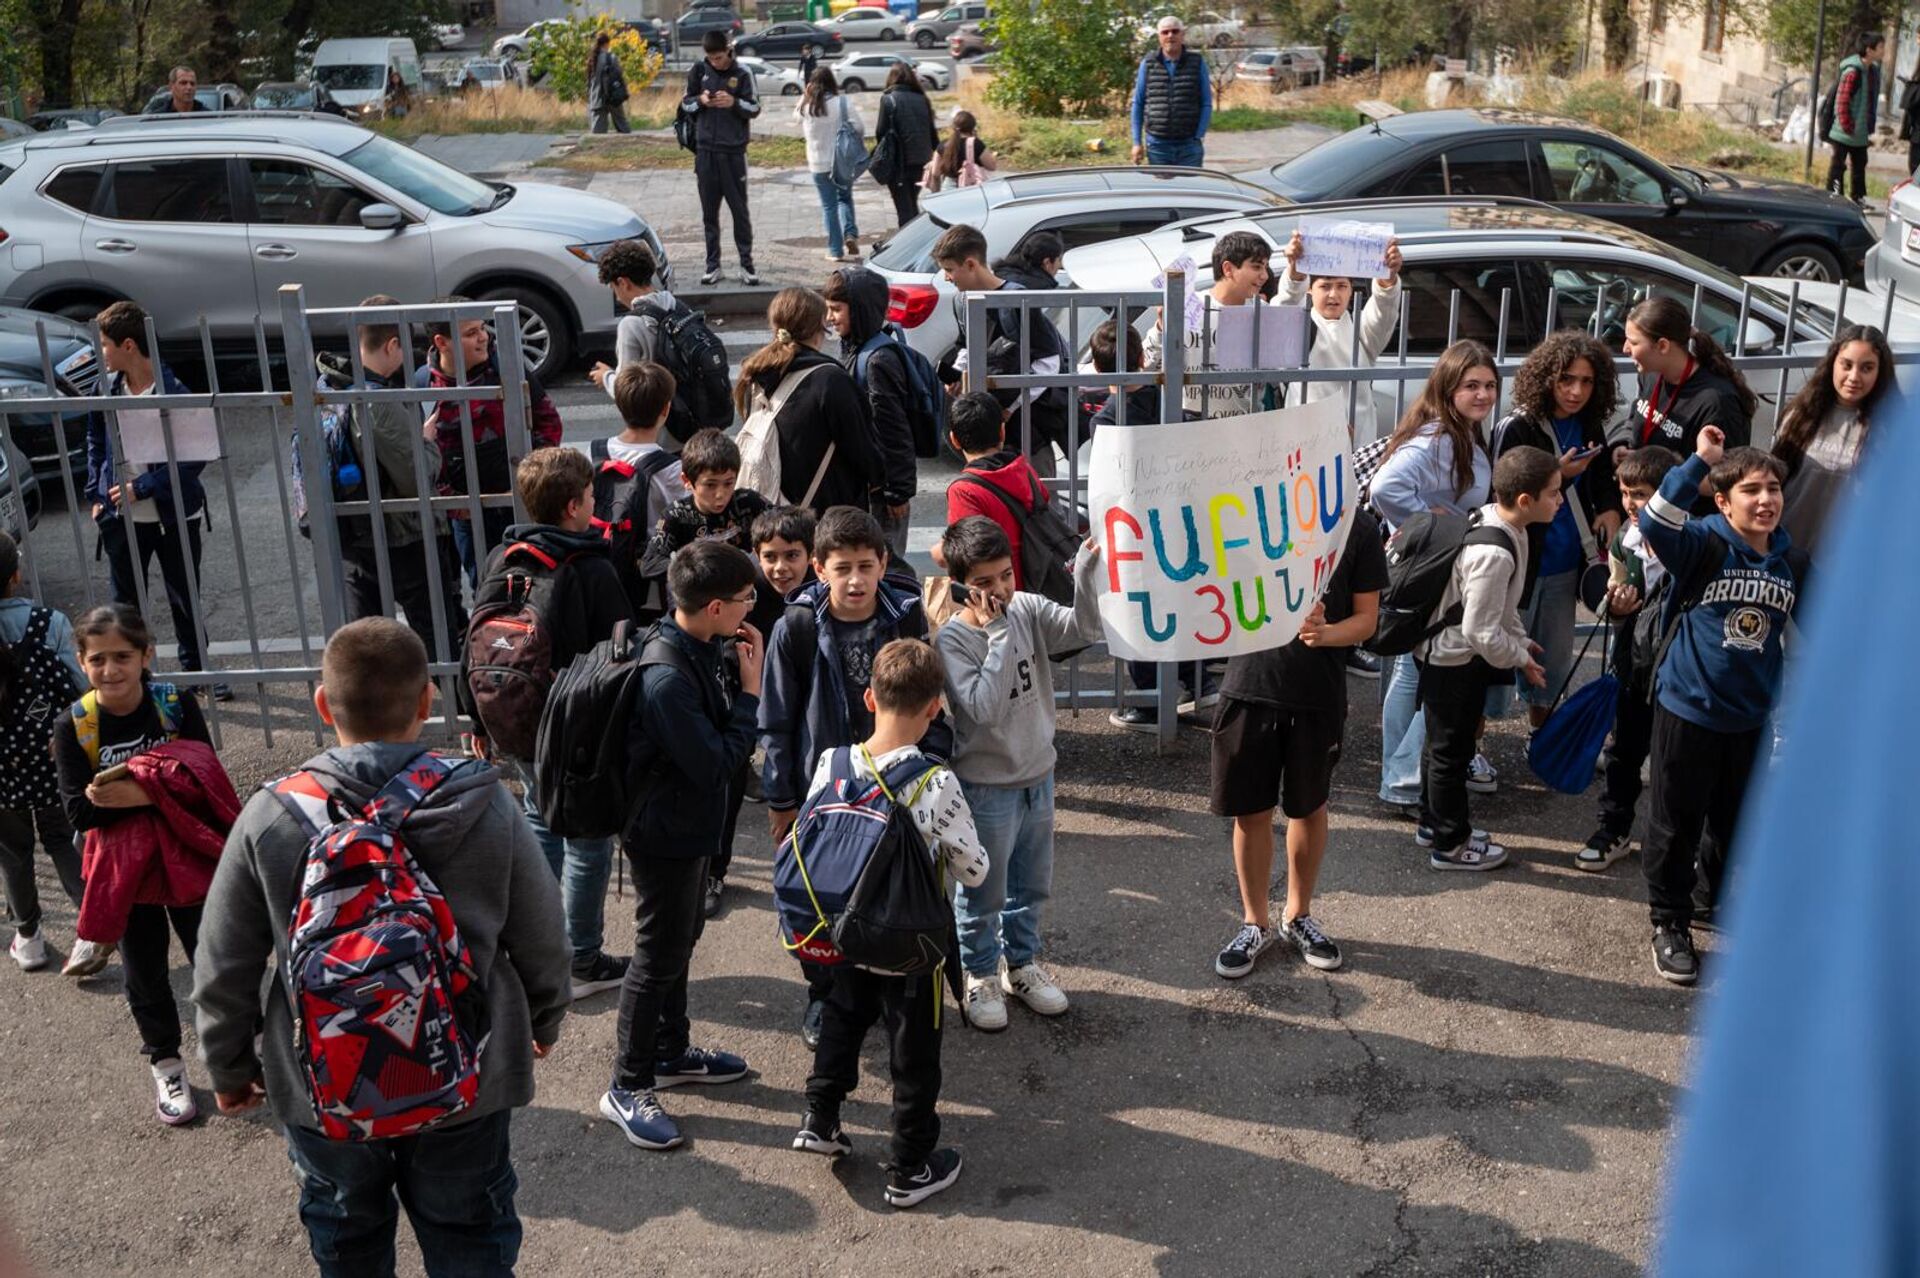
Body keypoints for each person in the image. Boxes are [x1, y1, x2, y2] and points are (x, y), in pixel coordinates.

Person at [192, 618, 568, 1276]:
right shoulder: (485, 804)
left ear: (320, 703)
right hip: (467, 1072)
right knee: (469, 1231)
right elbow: (542, 934)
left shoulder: (271, 817)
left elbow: (224, 965)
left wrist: (229, 1067)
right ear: (427, 703)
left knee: (347, 1230)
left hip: (321, 1082)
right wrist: (543, 1017)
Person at [791, 638, 987, 1208]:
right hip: (910, 943)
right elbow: (974, 871)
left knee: (841, 1021)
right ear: (935, 708)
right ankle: (910, 1165)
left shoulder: (833, 761)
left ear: (870, 698)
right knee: (913, 1052)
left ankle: (819, 1118)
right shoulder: (934, 782)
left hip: (844, 929)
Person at [760, 506, 949, 1046]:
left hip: (895, 784)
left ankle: (889, 988)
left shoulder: (905, 615)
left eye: (866, 566)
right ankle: (825, 997)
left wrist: (930, 767)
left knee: (888, 892)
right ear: (819, 568)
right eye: (842, 568)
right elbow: (776, 718)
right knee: (822, 897)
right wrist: (781, 800)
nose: (855, 580)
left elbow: (929, 696)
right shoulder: (795, 625)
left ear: (884, 562)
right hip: (824, 794)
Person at [601, 541, 763, 1152]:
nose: (754, 607)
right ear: (717, 607)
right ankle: (627, 1083)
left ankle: (671, 1050)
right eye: (747, 598)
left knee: (680, 938)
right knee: (656, 953)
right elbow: (717, 763)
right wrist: (752, 690)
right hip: (664, 833)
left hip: (688, 827)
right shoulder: (667, 676)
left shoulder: (699, 643)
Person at [1637, 427, 1805, 984]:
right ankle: (1669, 921)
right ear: (1723, 501)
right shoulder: (1702, 544)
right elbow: (1655, 521)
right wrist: (1699, 462)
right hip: (1689, 707)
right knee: (1675, 821)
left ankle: (1717, 899)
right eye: (1752, 490)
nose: (1766, 500)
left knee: (1734, 821)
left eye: (1774, 489)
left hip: (1750, 715)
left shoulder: (1789, 561)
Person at [467, 447, 633, 999]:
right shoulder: (590, 568)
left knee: (541, 819)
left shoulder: (503, 557)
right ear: (572, 506)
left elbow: (473, 639)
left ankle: (540, 947)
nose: (594, 504)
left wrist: (478, 721)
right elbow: (617, 659)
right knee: (587, 840)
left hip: (513, 720)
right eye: (590, 497)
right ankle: (580, 957)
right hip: (574, 730)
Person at [51, 605, 226, 1122]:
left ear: (146, 654)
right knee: (145, 971)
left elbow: (205, 781)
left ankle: (238, 1046)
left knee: (215, 958)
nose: (111, 670)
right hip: (127, 876)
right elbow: (80, 809)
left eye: (123, 656)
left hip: (189, 858)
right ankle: (167, 1063)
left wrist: (135, 791)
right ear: (82, 661)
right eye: (98, 659)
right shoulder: (74, 724)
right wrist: (162, 785)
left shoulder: (174, 704)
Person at [936, 516, 1102, 1030]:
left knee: (1031, 885)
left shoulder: (1026, 607)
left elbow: (1084, 629)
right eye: (984, 582)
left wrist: (1088, 577)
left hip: (1038, 774)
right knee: (982, 889)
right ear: (963, 584)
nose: (1000, 590)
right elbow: (982, 707)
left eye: (1005, 575)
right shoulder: (953, 641)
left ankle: (1022, 964)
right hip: (986, 785)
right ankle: (980, 972)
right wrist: (1000, 632)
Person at [1210, 498, 1386, 978]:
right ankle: (1254, 922)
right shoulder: (1249, 515)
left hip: (1317, 693)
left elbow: (1367, 620)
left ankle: (1298, 915)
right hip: (1251, 684)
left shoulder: (1359, 527)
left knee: (1308, 806)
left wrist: (1325, 634)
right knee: (1252, 810)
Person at [1369, 341, 1499, 816]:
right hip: (1433, 571)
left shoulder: (1460, 433)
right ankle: (1402, 781)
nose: (1483, 395)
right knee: (1414, 673)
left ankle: (1402, 778)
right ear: (1449, 389)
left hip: (1438, 567)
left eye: (1488, 385)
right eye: (1471, 386)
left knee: (1414, 671)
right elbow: (1385, 487)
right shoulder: (1439, 438)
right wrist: (1433, 521)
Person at [1418, 447, 1561, 871]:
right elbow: (1479, 631)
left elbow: (1500, 610)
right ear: (1525, 501)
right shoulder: (1495, 552)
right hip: (1451, 660)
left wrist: (1519, 639)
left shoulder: (1501, 523)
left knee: (1442, 746)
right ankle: (1450, 844)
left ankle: (1433, 822)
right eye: (1553, 493)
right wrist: (1520, 658)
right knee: (1451, 751)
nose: (1558, 500)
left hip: (1452, 654)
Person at [85, 301, 227, 700]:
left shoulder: (173, 391)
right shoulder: (105, 388)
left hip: (172, 514)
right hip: (120, 517)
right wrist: (97, 495)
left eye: (105, 345)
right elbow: (95, 442)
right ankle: (133, 680)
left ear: (129, 345)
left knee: (184, 593)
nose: (101, 353)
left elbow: (194, 457)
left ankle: (197, 671)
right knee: (125, 603)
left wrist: (144, 486)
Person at [316, 293, 466, 663]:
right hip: (403, 537)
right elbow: (417, 477)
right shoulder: (378, 401)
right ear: (392, 344)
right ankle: (458, 716)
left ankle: (372, 718)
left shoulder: (326, 387)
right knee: (437, 641)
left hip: (352, 535)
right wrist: (427, 443)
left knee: (367, 648)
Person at [1489, 330, 1624, 729]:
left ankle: (1540, 734)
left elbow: (1600, 476)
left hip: (1566, 562)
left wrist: (1612, 508)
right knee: (1496, 661)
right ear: (1546, 378)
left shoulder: (1588, 424)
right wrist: (1559, 475)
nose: (1576, 391)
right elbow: (1504, 497)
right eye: (1566, 379)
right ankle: (1475, 747)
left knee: (1552, 662)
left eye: (1586, 381)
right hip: (1519, 564)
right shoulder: (1518, 427)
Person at [1578, 444, 1679, 872]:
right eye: (1624, 493)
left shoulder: (1696, 537)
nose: (1629, 504)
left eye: (1640, 494)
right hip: (1633, 661)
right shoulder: (1626, 539)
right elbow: (1614, 597)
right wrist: (1617, 605)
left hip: (1677, 667)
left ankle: (1675, 846)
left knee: (1675, 761)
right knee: (1624, 752)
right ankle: (1613, 828)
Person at [423, 299, 565, 586]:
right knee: (486, 585)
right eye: (470, 332)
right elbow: (422, 453)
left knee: (533, 582)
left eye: (483, 327)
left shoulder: (507, 369)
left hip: (519, 501)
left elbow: (548, 423)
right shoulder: (424, 386)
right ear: (442, 342)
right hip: (468, 512)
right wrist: (452, 501)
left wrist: (529, 481)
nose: (483, 337)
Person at [0, 532, 87, 974]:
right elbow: (79, 687)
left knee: (13, 850)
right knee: (60, 838)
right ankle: (91, 930)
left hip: (1, 767)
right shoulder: (49, 623)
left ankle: (29, 937)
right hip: (49, 754)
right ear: (15, 575)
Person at [933, 223, 1069, 477]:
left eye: (950, 270)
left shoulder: (1016, 299)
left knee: (1040, 498)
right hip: (988, 428)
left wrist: (1012, 407)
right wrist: (959, 374)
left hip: (1027, 428)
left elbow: (1049, 361)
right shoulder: (961, 301)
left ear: (971, 264)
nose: (946, 278)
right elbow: (966, 345)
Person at [733, 288, 884, 513]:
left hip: (773, 514)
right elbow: (863, 451)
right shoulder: (830, 380)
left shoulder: (755, 374)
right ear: (818, 328)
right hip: (825, 515)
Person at [1621, 295, 1757, 513]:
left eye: (1634, 342)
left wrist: (1657, 470)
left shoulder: (1718, 401)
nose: (1625, 348)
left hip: (1687, 524)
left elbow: (1727, 481)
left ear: (1663, 346)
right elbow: (1635, 420)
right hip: (1645, 512)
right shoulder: (1651, 374)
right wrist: (1621, 446)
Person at [1773, 324, 1893, 564]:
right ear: (1832, 364)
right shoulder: (1800, 414)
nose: (1854, 377)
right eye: (1846, 365)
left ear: (1880, 372)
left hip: (1838, 567)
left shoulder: (1888, 429)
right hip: (1781, 552)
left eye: (1867, 368)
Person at [1277, 227, 1405, 446]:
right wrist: (1295, 271)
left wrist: (1387, 277)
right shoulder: (1299, 326)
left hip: (1357, 446)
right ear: (1309, 290)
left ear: (1350, 290)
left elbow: (1384, 311)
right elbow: (1283, 309)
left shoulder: (1361, 329)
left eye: (1341, 286)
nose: (1334, 294)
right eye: (1325, 286)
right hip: (1306, 446)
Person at [825, 267, 916, 558]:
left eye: (836, 309)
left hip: (884, 493)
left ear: (860, 309)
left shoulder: (877, 360)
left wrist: (897, 491)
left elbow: (893, 430)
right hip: (870, 486)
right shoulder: (857, 347)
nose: (830, 318)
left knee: (885, 564)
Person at [1144, 229, 1281, 422]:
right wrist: (1161, 326)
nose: (1265, 276)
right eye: (1257, 267)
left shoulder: (1262, 312)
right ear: (1228, 269)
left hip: (1247, 427)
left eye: (1266, 267)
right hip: (1193, 428)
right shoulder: (1188, 307)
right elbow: (1146, 368)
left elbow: (1282, 372)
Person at [600, 361, 685, 621]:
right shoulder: (672, 470)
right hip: (650, 580)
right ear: (665, 409)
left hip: (604, 569)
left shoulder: (595, 454)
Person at [944, 390, 1052, 590]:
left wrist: (939, 551)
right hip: (1038, 585)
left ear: (954, 440)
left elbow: (969, 553)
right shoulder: (1024, 469)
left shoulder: (964, 491)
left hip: (998, 597)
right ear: (1002, 431)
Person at [684, 31, 762, 287]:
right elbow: (686, 104)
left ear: (728, 50)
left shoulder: (742, 73)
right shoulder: (698, 71)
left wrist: (734, 102)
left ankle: (747, 265)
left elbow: (755, 108)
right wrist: (701, 100)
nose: (715, 62)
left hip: (733, 154)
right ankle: (712, 265)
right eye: (711, 58)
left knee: (740, 211)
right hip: (705, 152)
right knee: (709, 214)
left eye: (718, 57)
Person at [798, 69, 864, 264]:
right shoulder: (843, 103)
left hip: (818, 164)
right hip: (841, 161)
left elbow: (795, 118)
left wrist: (805, 95)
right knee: (844, 198)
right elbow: (860, 128)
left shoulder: (807, 107)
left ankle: (835, 250)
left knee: (829, 206)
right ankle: (850, 233)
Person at [1129, 16, 1211, 167]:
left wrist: (1200, 134)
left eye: (1175, 31)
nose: (1170, 36)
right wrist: (1136, 142)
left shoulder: (1197, 62)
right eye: (1165, 32)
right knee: (1163, 190)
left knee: (1191, 189)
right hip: (1158, 146)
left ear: (1182, 34)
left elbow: (1206, 103)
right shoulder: (1148, 63)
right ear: (1159, 36)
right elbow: (1138, 104)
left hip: (1190, 145)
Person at [874, 61, 939, 225]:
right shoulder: (922, 98)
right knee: (911, 202)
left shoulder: (888, 99)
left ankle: (910, 245)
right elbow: (931, 132)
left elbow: (880, 132)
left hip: (898, 162)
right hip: (921, 160)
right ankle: (916, 238)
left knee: (904, 209)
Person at [1824, 30, 1884, 203]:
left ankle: (1858, 198)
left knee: (1860, 165)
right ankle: (1834, 198)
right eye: (1880, 47)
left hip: (1859, 132)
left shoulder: (1872, 71)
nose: (1883, 51)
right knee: (1838, 165)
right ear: (1869, 50)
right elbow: (1841, 102)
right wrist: (1847, 126)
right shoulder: (1852, 71)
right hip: (1844, 130)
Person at [931, 109, 997, 190]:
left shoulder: (943, 145)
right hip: (973, 187)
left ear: (954, 127)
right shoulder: (976, 144)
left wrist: (936, 193)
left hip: (949, 187)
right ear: (973, 127)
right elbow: (991, 166)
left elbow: (935, 173)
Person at [589, 31, 632, 134]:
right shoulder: (611, 57)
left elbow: (590, 81)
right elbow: (619, 75)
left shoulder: (592, 59)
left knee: (598, 133)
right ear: (606, 43)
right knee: (623, 126)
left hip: (597, 97)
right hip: (613, 96)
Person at [992, 231, 1063, 293]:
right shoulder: (1041, 288)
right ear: (1047, 262)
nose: (1059, 265)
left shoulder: (1002, 272)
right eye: (1059, 260)